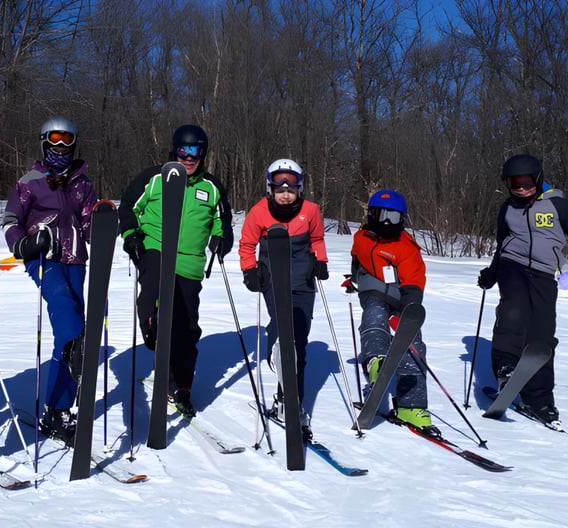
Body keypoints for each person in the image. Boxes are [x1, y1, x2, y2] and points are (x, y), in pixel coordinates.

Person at [119, 124, 234, 417]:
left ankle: (179, 387)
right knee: (154, 307)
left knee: (186, 328)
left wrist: (222, 239)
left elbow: (224, 221)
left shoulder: (211, 187)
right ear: (174, 149)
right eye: (184, 150)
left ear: (203, 153)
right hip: (155, 249)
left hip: (190, 263)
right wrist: (131, 235)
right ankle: (154, 333)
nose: (189, 157)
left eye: (196, 151)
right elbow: (128, 207)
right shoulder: (155, 178)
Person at [3, 117, 97, 444]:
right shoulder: (30, 181)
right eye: (55, 141)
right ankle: (58, 403)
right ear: (44, 142)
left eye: (67, 141)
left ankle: (58, 410)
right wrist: (24, 244)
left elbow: (88, 224)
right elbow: (11, 220)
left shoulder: (83, 184)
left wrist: (102, 227)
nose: (60, 147)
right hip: (44, 259)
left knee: (75, 338)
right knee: (68, 319)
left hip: (76, 261)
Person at [238, 158, 328, 441]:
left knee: (298, 342)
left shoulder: (310, 211)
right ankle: (275, 348)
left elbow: (317, 239)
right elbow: (247, 244)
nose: (285, 193)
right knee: (283, 329)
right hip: (273, 281)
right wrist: (249, 271)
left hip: (302, 282)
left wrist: (320, 261)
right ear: (271, 189)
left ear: (299, 189)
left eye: (291, 188)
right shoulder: (259, 212)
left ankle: (290, 402)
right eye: (280, 188)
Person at [477, 154, 568, 426]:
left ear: (537, 179)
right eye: (514, 183)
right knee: (513, 309)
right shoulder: (507, 209)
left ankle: (539, 399)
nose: (520, 188)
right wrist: (491, 274)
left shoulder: (558, 206)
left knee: (541, 333)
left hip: (544, 273)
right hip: (511, 265)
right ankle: (506, 365)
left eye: (526, 182)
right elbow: (501, 244)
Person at [350, 189, 439, 436]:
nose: (387, 222)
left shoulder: (406, 247)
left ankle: (412, 405)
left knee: (412, 343)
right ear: (371, 215)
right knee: (374, 316)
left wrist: (408, 311)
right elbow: (357, 259)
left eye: (394, 217)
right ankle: (376, 362)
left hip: (401, 298)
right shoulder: (361, 237)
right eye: (381, 215)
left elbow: (413, 280)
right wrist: (354, 278)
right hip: (373, 293)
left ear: (403, 219)